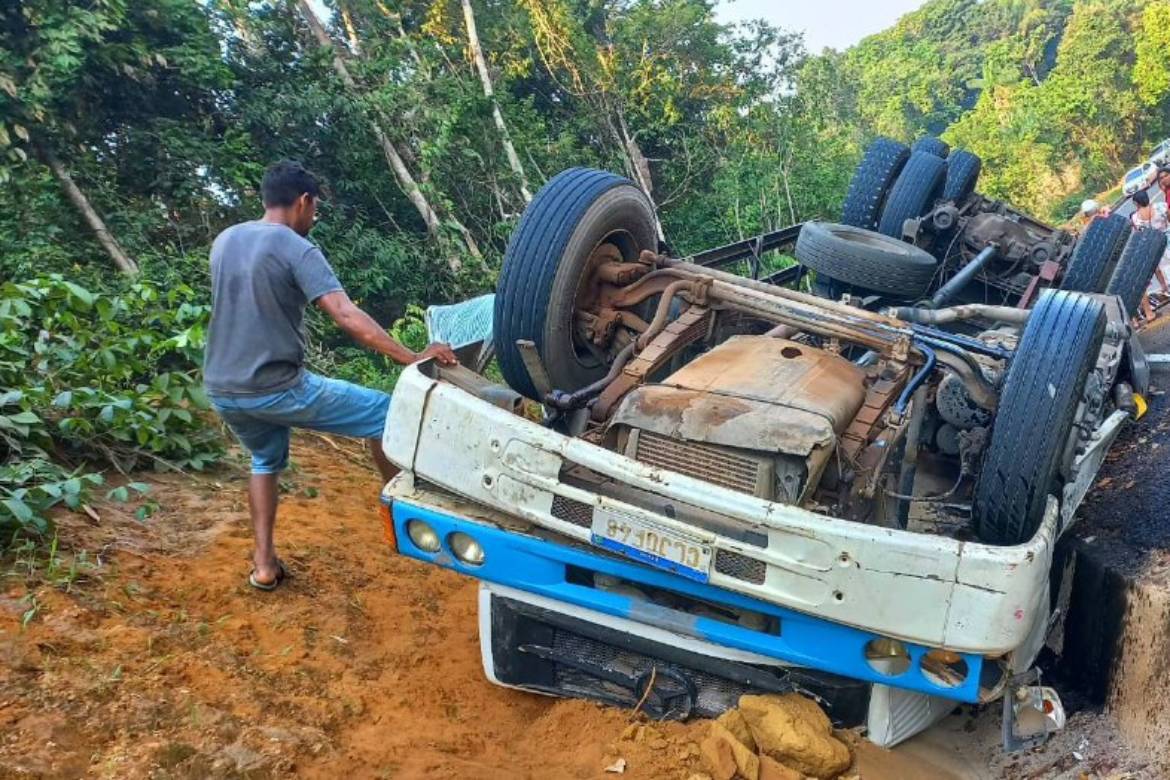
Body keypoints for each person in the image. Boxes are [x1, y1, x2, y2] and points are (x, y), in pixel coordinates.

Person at [203, 160, 457, 591]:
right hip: (277, 388)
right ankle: (402, 508)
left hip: (223, 389)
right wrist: (412, 355)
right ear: (303, 201)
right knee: (387, 413)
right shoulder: (295, 247)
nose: (314, 217)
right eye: (315, 207)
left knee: (265, 459)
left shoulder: (226, 240)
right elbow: (345, 314)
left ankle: (264, 565)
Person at [1128, 189, 1170, 322]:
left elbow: (1139, 234)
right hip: (1167, 238)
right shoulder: (1160, 206)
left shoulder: (1135, 217)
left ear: (1136, 203)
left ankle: (1167, 288)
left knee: (1163, 269)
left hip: (1154, 246)